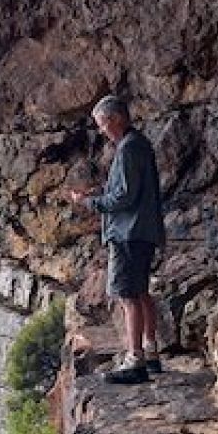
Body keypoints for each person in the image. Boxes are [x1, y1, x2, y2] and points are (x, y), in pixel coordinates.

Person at [68, 95, 166, 384]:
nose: (101, 131)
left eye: (102, 124)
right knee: (141, 290)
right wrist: (99, 193)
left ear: (116, 119)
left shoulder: (127, 149)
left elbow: (123, 197)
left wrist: (89, 203)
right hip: (142, 231)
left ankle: (134, 361)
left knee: (127, 295)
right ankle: (151, 353)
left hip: (129, 233)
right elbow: (127, 188)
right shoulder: (138, 145)